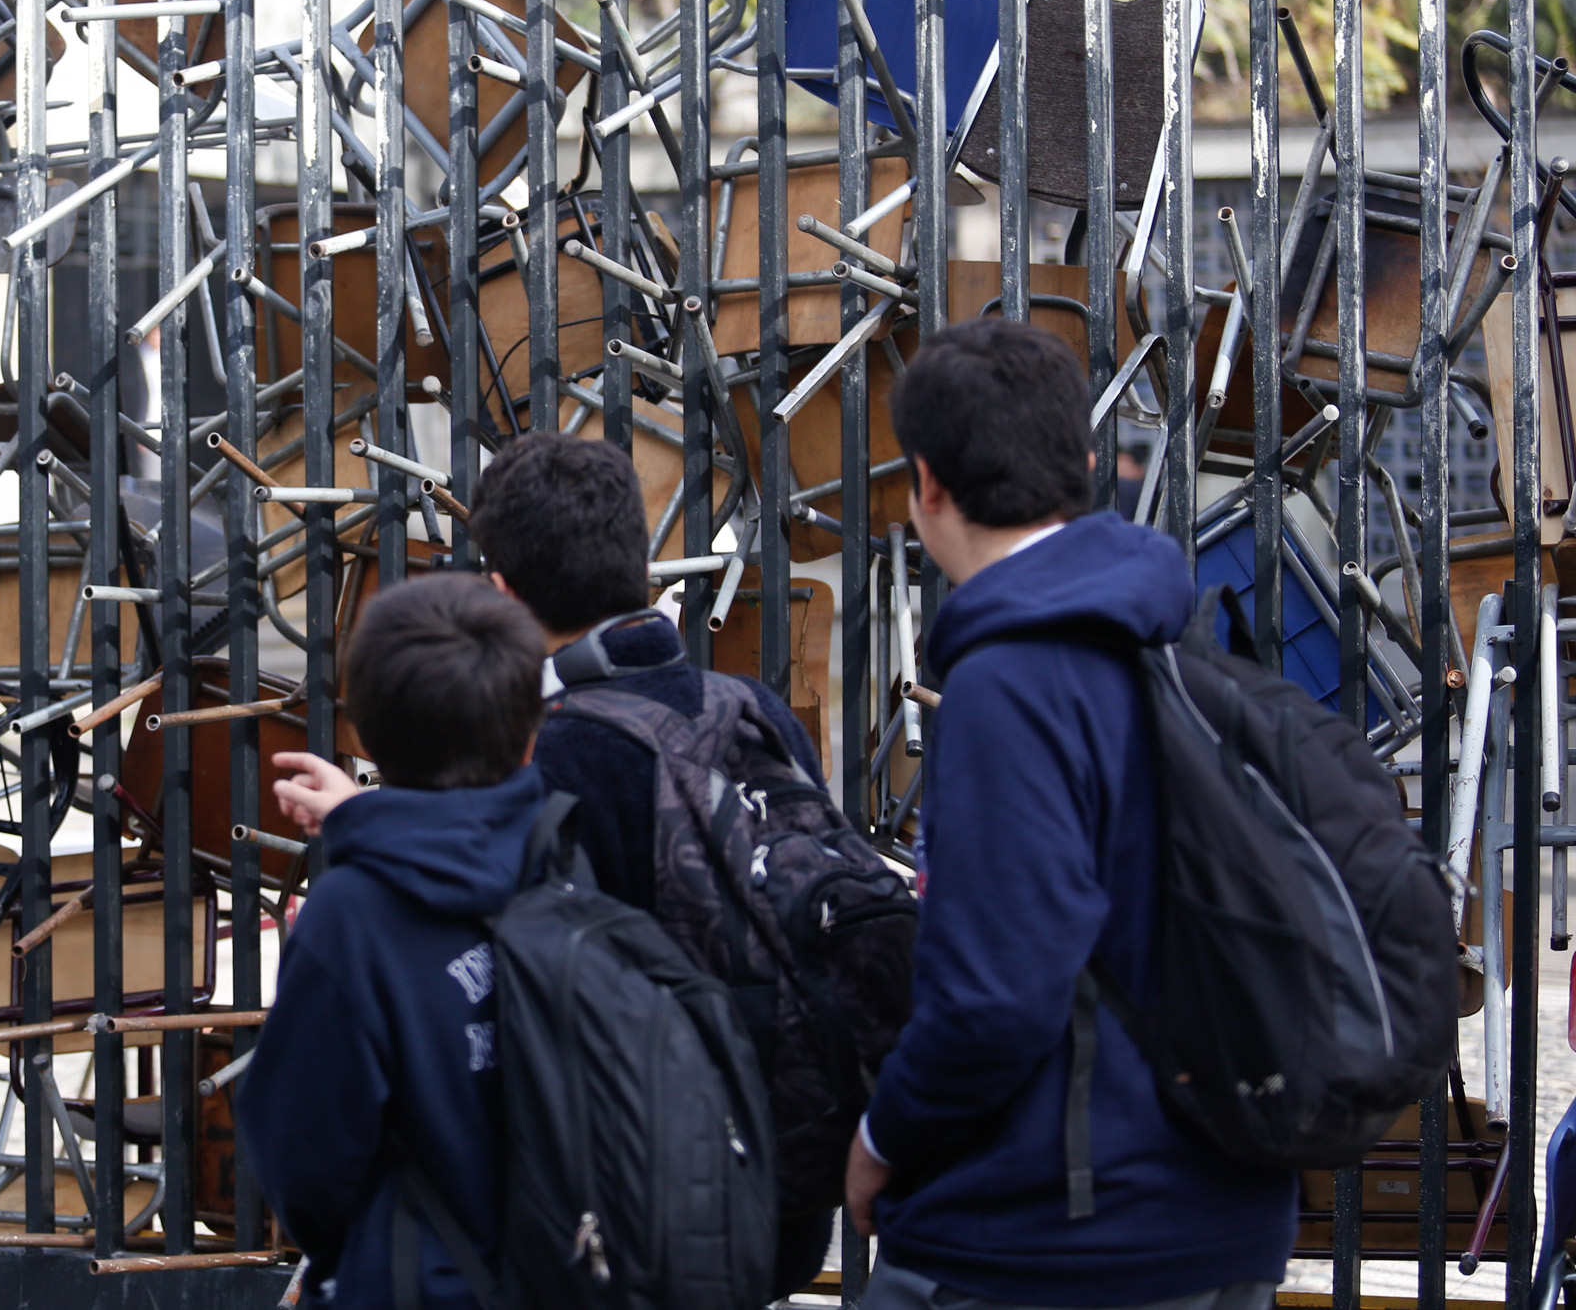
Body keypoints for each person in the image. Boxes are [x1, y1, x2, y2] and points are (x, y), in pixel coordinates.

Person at [845, 318, 1296, 1309]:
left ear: (924, 483)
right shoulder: (1176, 641)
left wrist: (882, 1137)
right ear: (1087, 465)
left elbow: (996, 994)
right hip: (1219, 1205)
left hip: (1060, 1226)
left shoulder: (1010, 682)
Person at [470, 432, 836, 1295]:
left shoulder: (554, 755)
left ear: (503, 592)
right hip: (775, 1183)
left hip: (630, 1207)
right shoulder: (749, 707)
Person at [238, 574, 547, 1310]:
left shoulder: (353, 917)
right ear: (532, 733)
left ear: (365, 735)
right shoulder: (563, 854)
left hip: (412, 1276)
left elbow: (300, 1158)